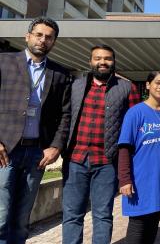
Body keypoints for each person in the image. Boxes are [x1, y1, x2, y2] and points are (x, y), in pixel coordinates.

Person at [0, 17, 71, 244]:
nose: (43, 40)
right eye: (39, 35)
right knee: (0, 216)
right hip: (5, 151)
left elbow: (65, 114)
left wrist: (56, 146)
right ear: (27, 36)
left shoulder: (60, 73)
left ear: (54, 42)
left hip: (36, 155)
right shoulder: (4, 62)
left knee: (21, 220)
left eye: (49, 37)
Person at [62, 45, 140, 244]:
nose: (102, 62)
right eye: (97, 58)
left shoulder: (126, 88)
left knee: (103, 215)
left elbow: (135, 126)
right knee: (72, 215)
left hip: (107, 161)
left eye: (107, 58)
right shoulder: (76, 85)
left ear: (114, 61)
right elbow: (66, 117)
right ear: (90, 61)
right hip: (76, 159)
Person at [118, 70, 160, 244]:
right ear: (148, 85)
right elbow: (124, 147)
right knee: (138, 227)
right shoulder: (135, 113)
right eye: (157, 82)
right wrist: (124, 179)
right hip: (141, 181)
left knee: (152, 226)